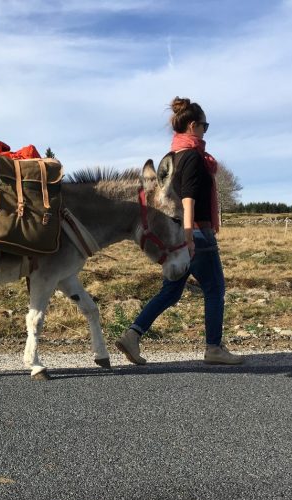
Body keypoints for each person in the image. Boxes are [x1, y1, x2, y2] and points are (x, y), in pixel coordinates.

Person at [116, 97, 243, 365]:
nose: (205, 132)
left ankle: (132, 335)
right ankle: (213, 348)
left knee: (171, 292)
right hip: (196, 233)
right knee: (214, 288)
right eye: (204, 126)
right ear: (193, 125)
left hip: (179, 234)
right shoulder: (194, 159)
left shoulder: (172, 157)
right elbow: (188, 200)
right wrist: (189, 239)